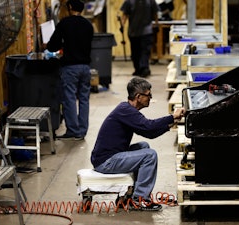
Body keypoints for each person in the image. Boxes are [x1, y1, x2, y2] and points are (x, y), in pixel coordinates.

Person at [91, 77, 184, 211]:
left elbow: (150, 133)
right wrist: (172, 116)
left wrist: (171, 123)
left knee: (143, 146)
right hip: (105, 161)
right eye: (148, 95)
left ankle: (131, 194)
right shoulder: (126, 110)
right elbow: (149, 126)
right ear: (139, 96)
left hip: (112, 156)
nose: (150, 98)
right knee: (149, 155)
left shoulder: (127, 110)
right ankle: (139, 200)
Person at [46, 0, 94, 141]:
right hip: (85, 68)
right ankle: (82, 130)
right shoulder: (88, 25)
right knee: (84, 99)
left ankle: (73, 130)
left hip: (70, 68)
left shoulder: (65, 24)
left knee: (70, 99)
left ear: (70, 7)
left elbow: (52, 46)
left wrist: (58, 45)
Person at [120, 0, 159, 77]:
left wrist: (122, 25)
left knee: (140, 51)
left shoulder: (129, 1)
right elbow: (155, 13)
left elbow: (124, 15)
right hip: (140, 31)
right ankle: (140, 68)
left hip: (138, 31)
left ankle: (142, 68)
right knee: (140, 51)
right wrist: (156, 24)